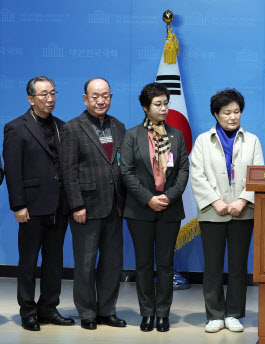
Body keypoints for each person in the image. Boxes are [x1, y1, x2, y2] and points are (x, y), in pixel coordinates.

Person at [3, 76, 74, 331]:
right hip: (31, 207)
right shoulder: (16, 127)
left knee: (54, 262)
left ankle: (48, 308)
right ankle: (28, 311)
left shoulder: (62, 126)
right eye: (44, 94)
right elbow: (12, 170)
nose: (50, 98)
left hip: (59, 205)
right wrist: (18, 206)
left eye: (53, 93)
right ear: (31, 99)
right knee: (28, 262)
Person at [190, 89, 264, 333]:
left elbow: (258, 174)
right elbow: (197, 175)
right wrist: (216, 202)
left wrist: (242, 201)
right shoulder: (203, 140)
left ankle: (233, 313)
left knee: (238, 266)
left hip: (242, 212)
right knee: (212, 266)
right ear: (215, 114)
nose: (233, 117)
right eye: (227, 113)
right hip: (213, 212)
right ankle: (214, 314)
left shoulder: (252, 140)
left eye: (237, 112)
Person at [120, 82, 190, 332]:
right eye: (158, 104)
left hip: (169, 209)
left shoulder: (176, 135)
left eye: (166, 104)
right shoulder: (132, 135)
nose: (164, 109)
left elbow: (183, 170)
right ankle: (146, 312)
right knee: (144, 264)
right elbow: (126, 172)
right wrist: (148, 198)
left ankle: (163, 313)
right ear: (145, 107)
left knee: (165, 263)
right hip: (140, 210)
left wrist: (168, 197)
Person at [60, 77, 127, 330]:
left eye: (106, 95)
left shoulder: (119, 126)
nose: (101, 100)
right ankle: (87, 312)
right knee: (86, 264)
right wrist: (77, 205)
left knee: (112, 263)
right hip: (85, 208)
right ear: (85, 98)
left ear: (111, 97)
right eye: (95, 96)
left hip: (115, 207)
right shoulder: (72, 128)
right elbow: (68, 170)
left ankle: (107, 311)